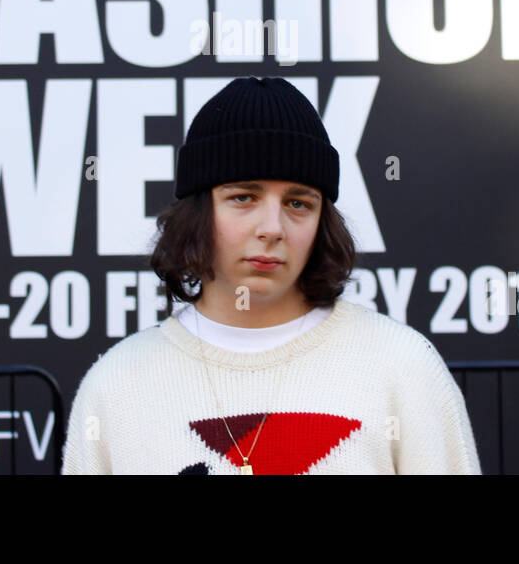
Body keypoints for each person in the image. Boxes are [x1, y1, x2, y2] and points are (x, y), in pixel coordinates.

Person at [61, 76, 482, 474]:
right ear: (197, 213)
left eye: (299, 203)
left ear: (323, 220)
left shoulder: (402, 367)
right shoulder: (116, 387)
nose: (273, 227)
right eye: (243, 197)